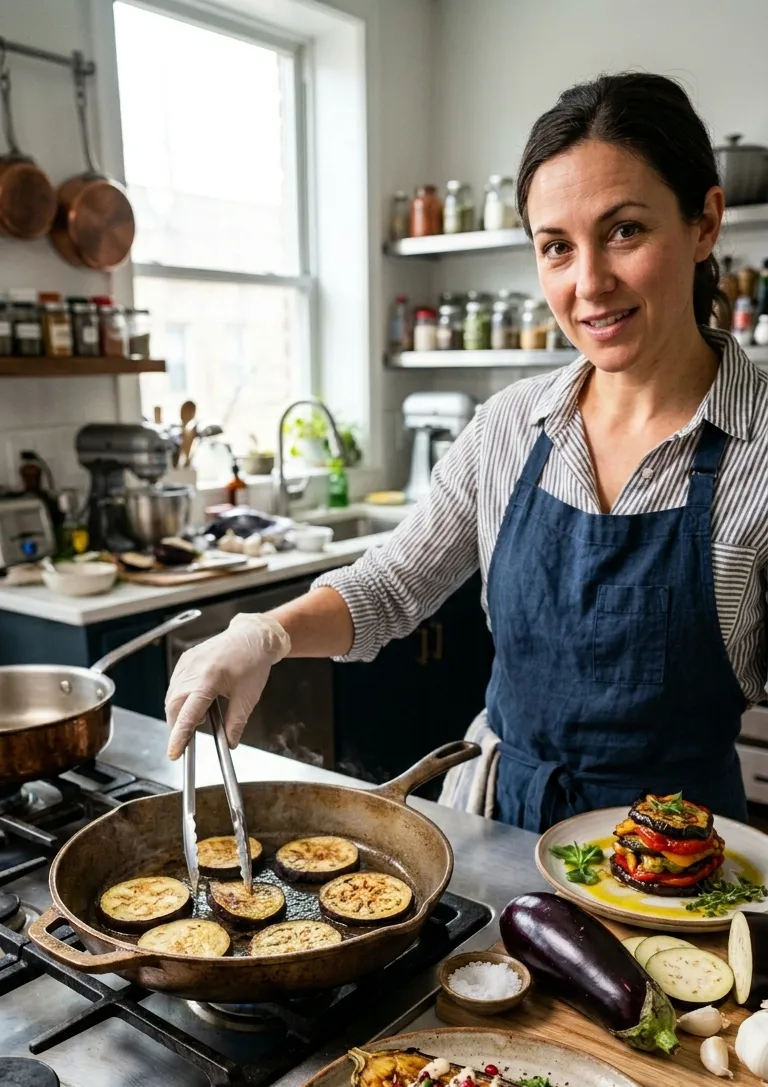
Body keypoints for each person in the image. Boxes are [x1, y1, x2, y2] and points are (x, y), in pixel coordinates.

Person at [166, 72, 768, 832]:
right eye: (556, 247)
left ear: (705, 222)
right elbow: (392, 587)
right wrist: (267, 634)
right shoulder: (512, 428)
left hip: (683, 860)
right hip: (502, 826)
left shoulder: (763, 450)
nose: (589, 284)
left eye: (625, 231)